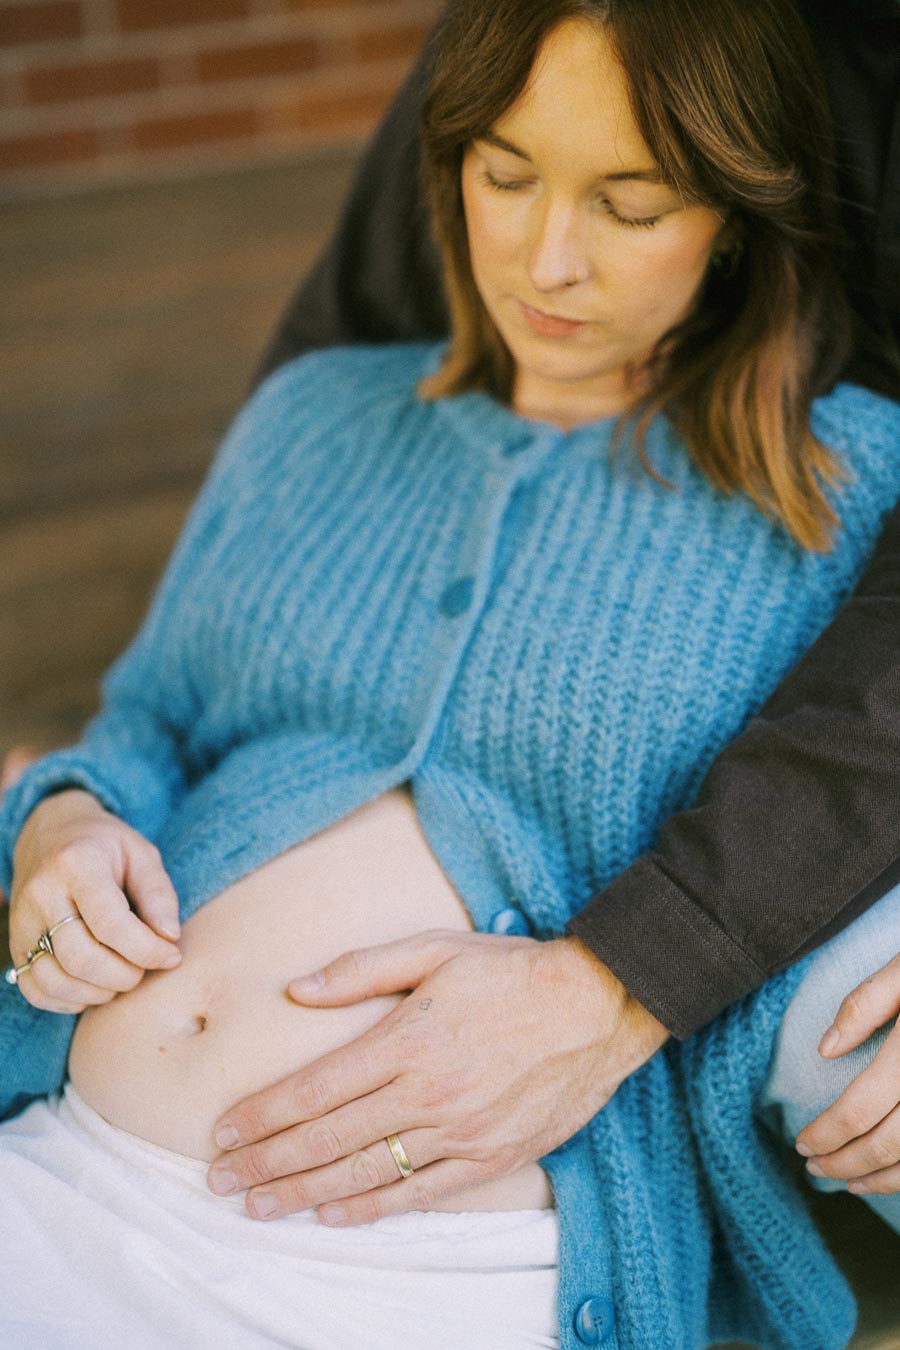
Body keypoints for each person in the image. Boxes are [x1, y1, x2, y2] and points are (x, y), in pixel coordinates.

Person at [0, 2, 898, 1347]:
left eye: (633, 204)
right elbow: (151, 720)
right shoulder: (316, 415)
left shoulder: (843, 484)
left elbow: (847, 795)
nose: (546, 257)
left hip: (420, 1274)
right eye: (504, 173)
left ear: (736, 214)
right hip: (57, 1174)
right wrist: (63, 816)